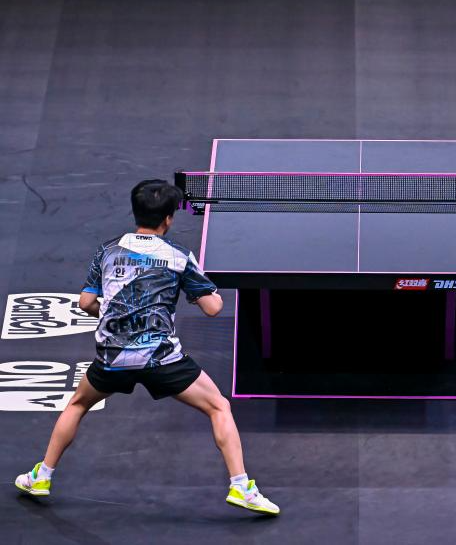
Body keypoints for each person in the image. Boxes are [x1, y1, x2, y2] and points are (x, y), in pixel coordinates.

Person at [13, 180, 280, 515]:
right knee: (218, 407)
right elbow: (213, 308)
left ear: (135, 211)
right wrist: (200, 289)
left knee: (78, 404)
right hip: (162, 360)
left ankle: (42, 477)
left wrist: (116, 315)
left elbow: (85, 303)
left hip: (112, 357)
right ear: (168, 219)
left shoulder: (108, 250)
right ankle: (241, 486)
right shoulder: (179, 257)